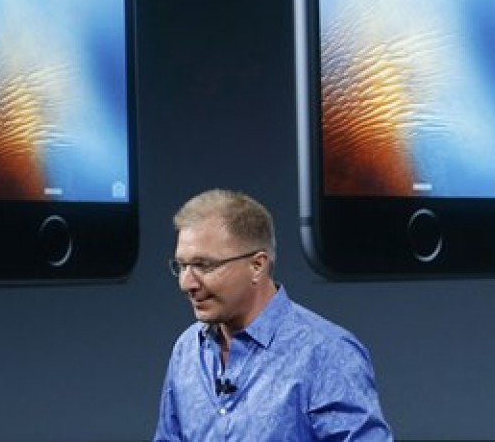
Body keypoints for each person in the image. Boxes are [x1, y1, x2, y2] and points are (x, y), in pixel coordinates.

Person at [153, 188, 394, 441]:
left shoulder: (326, 353)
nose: (186, 283)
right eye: (181, 266)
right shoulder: (187, 349)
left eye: (204, 266)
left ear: (257, 266)